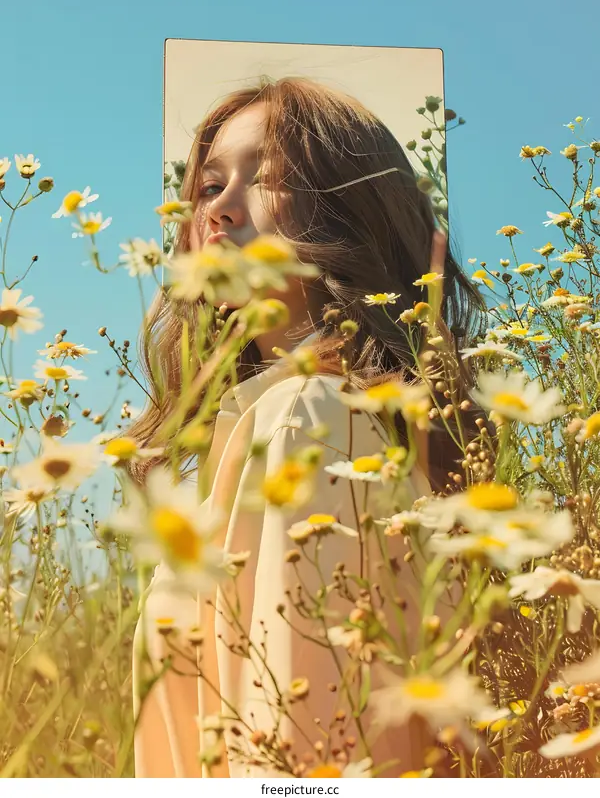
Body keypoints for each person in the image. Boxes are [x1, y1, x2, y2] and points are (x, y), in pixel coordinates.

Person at [126, 77, 487, 777]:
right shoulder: (273, 423)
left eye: (268, 180)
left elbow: (307, 767)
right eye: (208, 187)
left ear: (348, 210)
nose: (220, 212)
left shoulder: (314, 419)